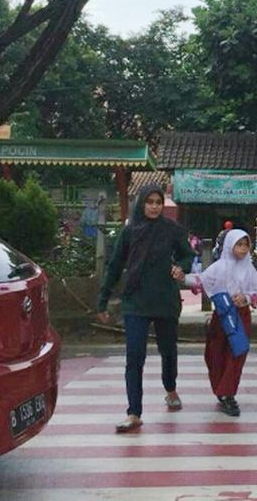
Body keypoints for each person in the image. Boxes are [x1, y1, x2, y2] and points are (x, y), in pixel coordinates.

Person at [96, 183, 195, 433]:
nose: (154, 206)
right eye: (149, 202)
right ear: (141, 203)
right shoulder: (129, 232)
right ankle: (134, 412)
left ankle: (170, 388)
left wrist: (181, 267)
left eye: (158, 202)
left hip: (165, 300)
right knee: (134, 356)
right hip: (135, 301)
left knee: (168, 350)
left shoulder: (172, 230)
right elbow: (115, 266)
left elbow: (187, 255)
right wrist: (103, 300)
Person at [198, 229, 257, 417]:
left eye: (245, 245)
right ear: (229, 246)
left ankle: (229, 393)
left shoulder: (250, 269)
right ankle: (220, 388)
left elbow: (255, 292)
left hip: (241, 317)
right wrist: (182, 278)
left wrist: (246, 299)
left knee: (236, 354)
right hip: (222, 315)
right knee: (215, 353)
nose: (242, 249)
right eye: (238, 245)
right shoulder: (219, 267)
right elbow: (201, 280)